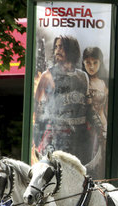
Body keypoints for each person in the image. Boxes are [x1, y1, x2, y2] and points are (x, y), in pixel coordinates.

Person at [34, 35, 90, 164]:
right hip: (56, 136)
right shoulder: (47, 75)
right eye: (56, 47)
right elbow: (37, 106)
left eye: (61, 47)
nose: (57, 50)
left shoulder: (83, 76)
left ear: (71, 49)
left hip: (79, 137)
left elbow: (87, 106)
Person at [82, 47, 108, 178]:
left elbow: (106, 108)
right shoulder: (82, 80)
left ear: (100, 62)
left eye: (95, 62)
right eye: (88, 62)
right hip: (86, 126)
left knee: (101, 160)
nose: (91, 66)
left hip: (103, 125)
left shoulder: (104, 83)